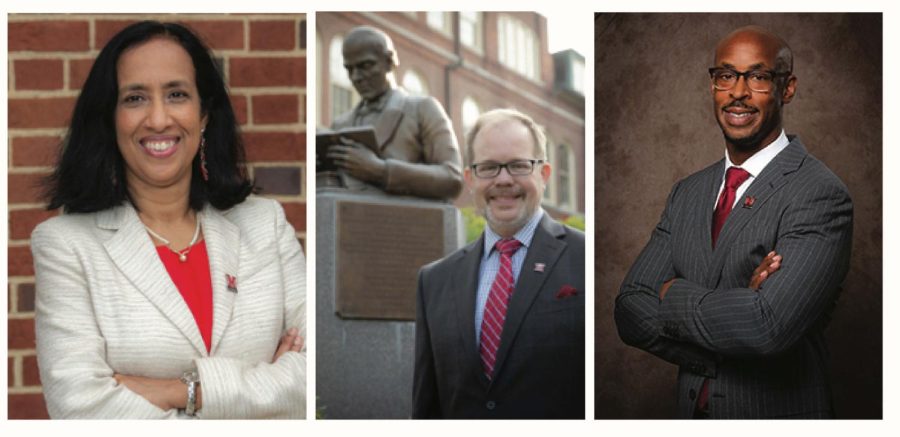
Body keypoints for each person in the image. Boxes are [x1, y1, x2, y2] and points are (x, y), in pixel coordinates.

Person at [31, 21, 306, 419]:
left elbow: (310, 376)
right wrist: (261, 394)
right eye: (135, 98)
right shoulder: (66, 245)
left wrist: (183, 390)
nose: (159, 119)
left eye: (177, 94)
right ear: (109, 117)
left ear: (205, 112)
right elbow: (81, 410)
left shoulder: (266, 224)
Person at [614, 25, 853, 419]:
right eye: (726, 75)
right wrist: (740, 303)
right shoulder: (687, 193)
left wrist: (671, 292)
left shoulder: (819, 193)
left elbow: (767, 326)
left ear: (787, 88)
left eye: (758, 77)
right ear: (713, 86)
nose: (738, 92)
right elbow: (629, 309)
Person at [413, 109, 585, 418]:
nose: (503, 180)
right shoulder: (434, 282)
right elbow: (427, 409)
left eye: (518, 165)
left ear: (543, 174)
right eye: (489, 167)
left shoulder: (586, 258)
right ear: (470, 179)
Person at [325, 26, 463, 201]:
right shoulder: (340, 125)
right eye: (349, 69)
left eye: (365, 66)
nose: (356, 77)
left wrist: (381, 171)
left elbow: (452, 178)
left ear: (389, 62)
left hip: (408, 223)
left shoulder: (423, 109)